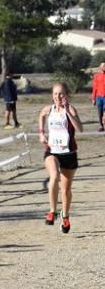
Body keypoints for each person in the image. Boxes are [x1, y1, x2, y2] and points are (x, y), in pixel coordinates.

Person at [39, 82, 83, 234]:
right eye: (55, 94)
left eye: (61, 94)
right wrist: (41, 132)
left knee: (65, 190)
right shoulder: (48, 109)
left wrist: (68, 113)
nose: (58, 97)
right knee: (54, 176)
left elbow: (80, 129)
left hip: (69, 153)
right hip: (52, 151)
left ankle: (65, 216)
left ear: (66, 95)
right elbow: (41, 115)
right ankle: (52, 211)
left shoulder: (70, 109)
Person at [91, 62, 105, 132]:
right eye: (102, 66)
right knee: (100, 112)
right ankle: (101, 126)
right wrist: (93, 98)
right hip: (99, 97)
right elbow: (94, 88)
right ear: (100, 67)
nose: (104, 67)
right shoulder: (97, 76)